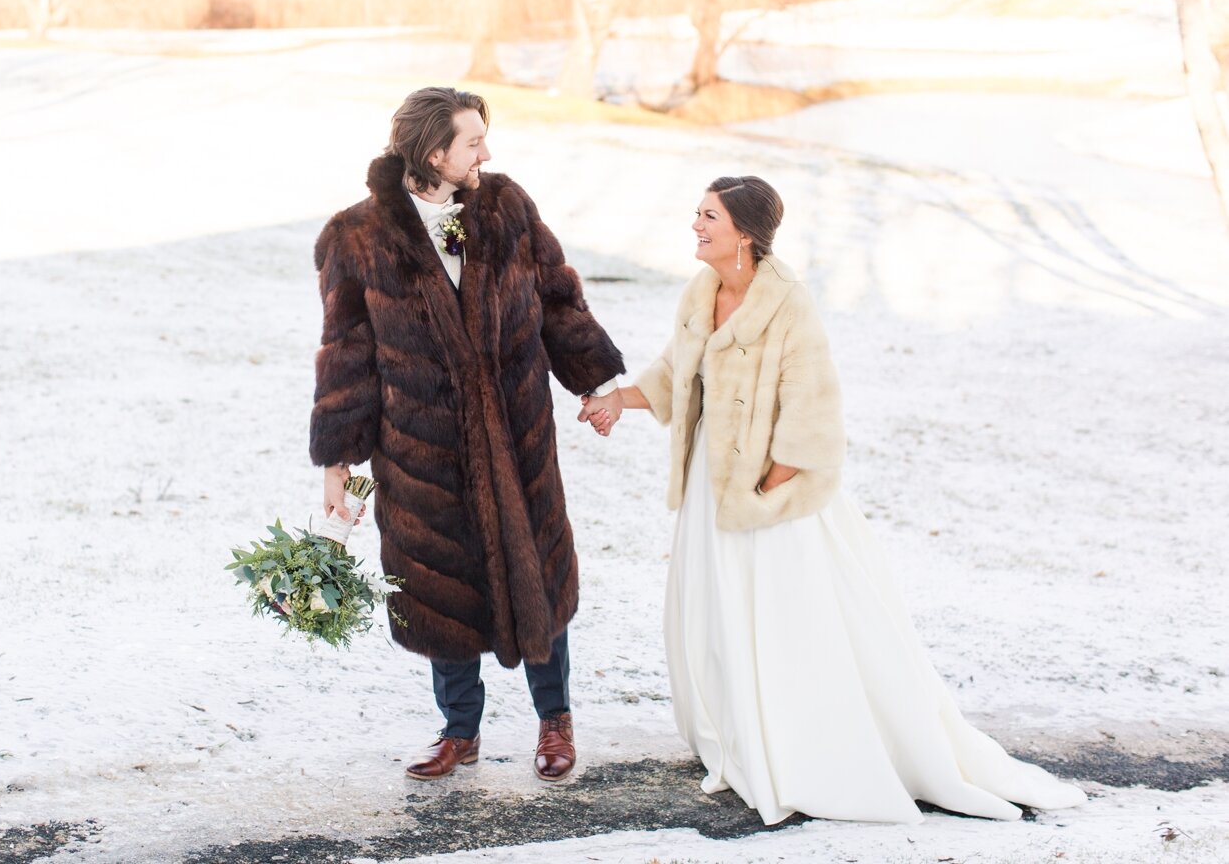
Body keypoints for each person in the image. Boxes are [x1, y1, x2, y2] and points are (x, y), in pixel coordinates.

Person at [582, 175, 1086, 824]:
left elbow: (814, 405)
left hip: (772, 495)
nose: (696, 226)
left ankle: (802, 749)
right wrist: (617, 401)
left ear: (745, 233)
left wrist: (774, 481)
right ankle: (737, 739)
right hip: (713, 483)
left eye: (709, 217)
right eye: (697, 214)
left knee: (782, 620)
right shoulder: (701, 291)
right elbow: (678, 369)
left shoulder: (788, 304)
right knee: (717, 613)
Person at [310, 86, 625, 782]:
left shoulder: (507, 208)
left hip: (516, 432)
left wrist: (596, 384)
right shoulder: (355, 237)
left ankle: (555, 721)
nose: (488, 151)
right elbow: (345, 353)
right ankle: (460, 732)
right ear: (433, 154)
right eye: (473, 141)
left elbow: (558, 299)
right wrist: (337, 457)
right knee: (438, 586)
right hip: (420, 446)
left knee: (536, 569)